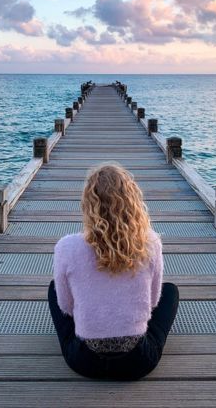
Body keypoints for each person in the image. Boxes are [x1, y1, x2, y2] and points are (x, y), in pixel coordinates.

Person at [48, 163, 179, 380]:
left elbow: (66, 307)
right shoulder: (151, 242)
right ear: (132, 202)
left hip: (84, 362)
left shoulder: (66, 247)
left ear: (88, 205)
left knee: (54, 288)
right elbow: (153, 302)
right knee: (171, 292)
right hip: (138, 362)